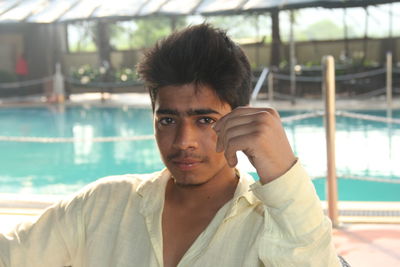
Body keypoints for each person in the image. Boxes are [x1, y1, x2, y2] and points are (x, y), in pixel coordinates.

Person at [0, 24, 342, 267]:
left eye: (205, 120)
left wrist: (283, 174)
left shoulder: (277, 225)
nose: (183, 142)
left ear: (240, 120)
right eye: (167, 120)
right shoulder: (102, 205)